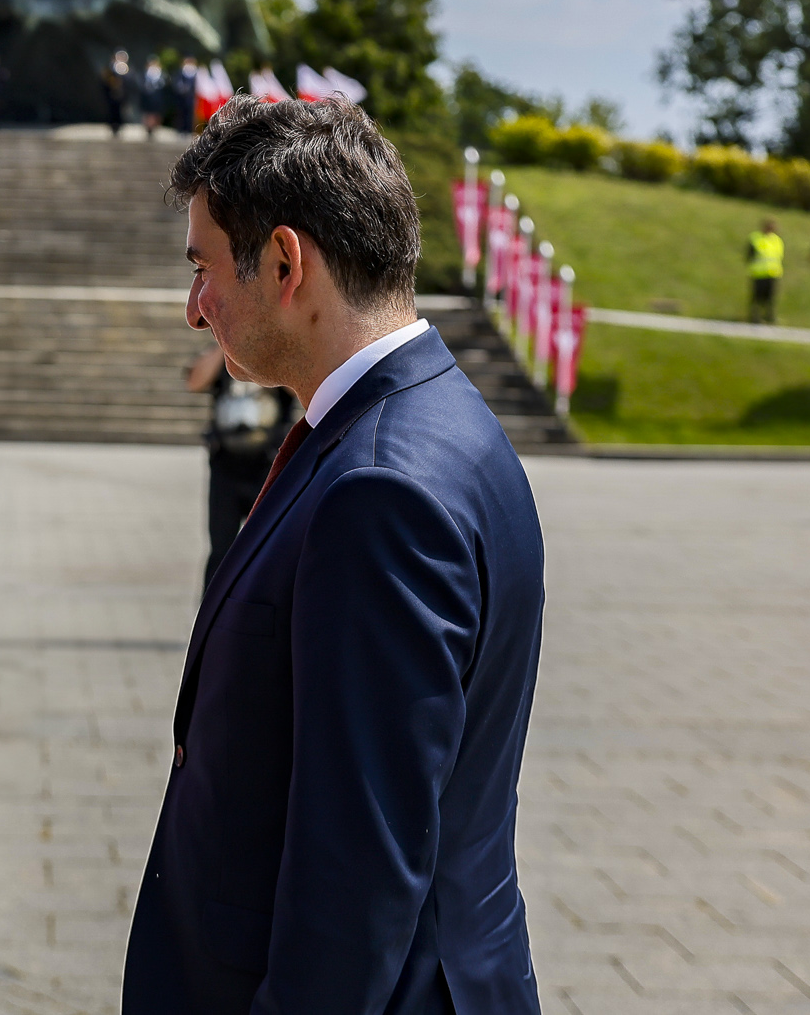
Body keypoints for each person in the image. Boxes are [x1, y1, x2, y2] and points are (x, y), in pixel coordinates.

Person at [125, 94, 546, 1014]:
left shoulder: (379, 489)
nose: (196, 309)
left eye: (203, 268)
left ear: (285, 261)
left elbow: (355, 878)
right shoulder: (438, 415)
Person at [187, 344, 298, 587]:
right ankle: (212, 615)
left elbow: (298, 390)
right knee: (221, 547)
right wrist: (224, 344)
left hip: (269, 465)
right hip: (227, 464)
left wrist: (270, 349)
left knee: (269, 547)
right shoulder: (222, 354)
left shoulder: (277, 351)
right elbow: (195, 381)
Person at [746, 217, 783, 323]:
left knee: (771, 298)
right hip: (758, 273)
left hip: (772, 273)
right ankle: (755, 316)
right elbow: (749, 255)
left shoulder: (776, 240)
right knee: (757, 297)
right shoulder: (755, 238)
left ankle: (769, 316)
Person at [102, 49, 135, 136]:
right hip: (112, 94)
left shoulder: (127, 69)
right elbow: (105, 80)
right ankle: (113, 126)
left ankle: (119, 126)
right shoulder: (110, 68)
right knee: (112, 111)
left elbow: (130, 82)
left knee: (122, 112)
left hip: (122, 95)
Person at [171, 56, 199, 134]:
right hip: (181, 98)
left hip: (192, 98)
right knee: (181, 114)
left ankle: (189, 130)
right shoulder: (180, 72)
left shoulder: (197, 73)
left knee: (190, 115)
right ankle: (180, 130)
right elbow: (176, 82)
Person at [140, 56, 167, 134]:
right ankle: (148, 128)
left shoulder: (162, 75)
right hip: (147, 98)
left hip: (157, 98)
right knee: (147, 114)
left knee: (156, 114)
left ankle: (155, 127)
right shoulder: (144, 74)